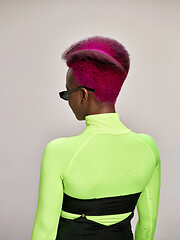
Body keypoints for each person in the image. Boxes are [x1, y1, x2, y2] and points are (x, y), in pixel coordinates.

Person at [31, 36, 161, 240]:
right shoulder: (148, 147)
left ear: (83, 95)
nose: (68, 100)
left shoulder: (58, 151)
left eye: (68, 93)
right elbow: (147, 225)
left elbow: (45, 231)